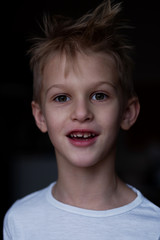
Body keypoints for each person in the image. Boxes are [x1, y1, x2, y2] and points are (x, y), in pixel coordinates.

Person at [3, 0, 160, 239]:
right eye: (62, 97)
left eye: (99, 95)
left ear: (127, 113)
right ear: (40, 116)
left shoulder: (153, 226)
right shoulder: (20, 220)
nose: (81, 112)